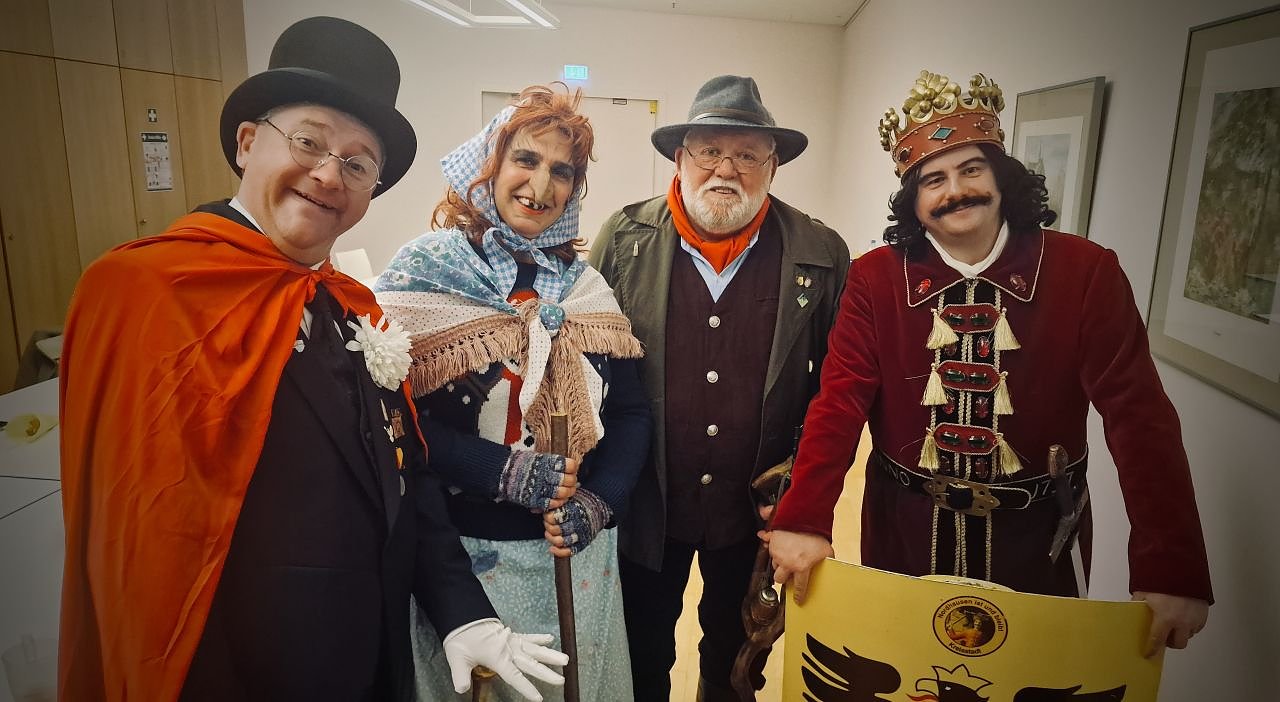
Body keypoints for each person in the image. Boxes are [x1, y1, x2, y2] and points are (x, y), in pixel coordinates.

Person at [58, 17, 565, 702]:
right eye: (308, 142)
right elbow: (139, 539)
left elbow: (405, 471)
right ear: (247, 143)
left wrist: (461, 609)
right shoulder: (146, 292)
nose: (328, 175)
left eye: (358, 164)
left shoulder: (352, 304)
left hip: (366, 658)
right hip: (233, 674)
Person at [767, 70, 1212, 658]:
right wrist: (804, 518)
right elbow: (840, 401)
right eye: (934, 180)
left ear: (1001, 176)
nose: (956, 191)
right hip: (905, 532)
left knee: (1035, 677)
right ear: (913, 199)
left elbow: (1141, 420)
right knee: (906, 672)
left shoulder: (1086, 272)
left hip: (1039, 541)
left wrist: (1172, 567)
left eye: (971, 169)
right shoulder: (875, 278)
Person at [373, 84, 650, 702]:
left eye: (562, 171)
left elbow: (631, 412)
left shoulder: (584, 289)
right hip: (462, 562)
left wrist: (600, 501)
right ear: (489, 166)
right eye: (525, 159)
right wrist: (500, 470)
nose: (541, 185)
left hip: (576, 560)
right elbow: (391, 419)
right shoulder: (425, 272)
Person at [589, 75, 850, 701]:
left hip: (755, 511)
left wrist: (801, 494)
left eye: (747, 155)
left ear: (773, 166)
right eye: (709, 151)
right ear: (680, 159)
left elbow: (838, 389)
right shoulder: (623, 238)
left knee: (736, 663)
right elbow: (585, 366)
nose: (725, 169)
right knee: (639, 653)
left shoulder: (819, 252)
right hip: (646, 501)